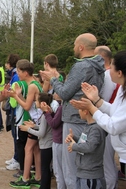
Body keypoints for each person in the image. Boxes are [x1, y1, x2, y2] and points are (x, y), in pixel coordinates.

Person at [39, 33, 105, 189]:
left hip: (75, 119)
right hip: (87, 117)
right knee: (82, 163)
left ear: (81, 47)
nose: (74, 48)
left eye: (75, 45)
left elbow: (65, 93)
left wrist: (53, 80)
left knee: (71, 167)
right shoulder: (98, 64)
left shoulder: (82, 66)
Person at [70, 50, 126, 187]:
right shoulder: (122, 89)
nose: (108, 69)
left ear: (119, 73)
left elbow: (113, 126)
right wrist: (97, 100)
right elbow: (114, 111)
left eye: (111, 66)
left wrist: (92, 108)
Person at [7, 59, 42, 188]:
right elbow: (30, 104)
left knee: (28, 149)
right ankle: (38, 177)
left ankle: (25, 178)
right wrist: (19, 95)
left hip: (35, 121)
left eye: (19, 71)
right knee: (36, 150)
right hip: (38, 119)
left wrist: (16, 97)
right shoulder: (35, 83)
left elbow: (27, 107)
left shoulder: (32, 85)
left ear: (25, 72)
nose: (18, 74)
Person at [66, 95, 107, 189]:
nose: (78, 111)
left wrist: (74, 146)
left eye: (80, 109)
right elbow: (86, 142)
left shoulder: (95, 128)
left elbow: (90, 146)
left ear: (85, 111)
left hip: (91, 176)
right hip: (83, 173)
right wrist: (74, 138)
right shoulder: (89, 126)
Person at [17, 92, 54, 189]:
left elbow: (41, 133)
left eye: (37, 100)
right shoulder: (44, 114)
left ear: (43, 103)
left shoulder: (44, 115)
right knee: (45, 169)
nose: (35, 102)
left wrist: (28, 129)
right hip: (46, 145)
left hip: (47, 145)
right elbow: (43, 128)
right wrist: (34, 126)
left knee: (45, 169)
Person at [94, 46, 119, 188]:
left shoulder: (108, 75)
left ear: (102, 58)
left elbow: (105, 100)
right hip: (110, 120)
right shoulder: (110, 74)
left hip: (108, 121)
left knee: (107, 162)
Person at [4, 54, 21, 171]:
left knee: (16, 136)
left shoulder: (16, 76)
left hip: (15, 109)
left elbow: (15, 93)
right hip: (14, 109)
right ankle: (16, 157)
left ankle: (18, 159)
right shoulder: (14, 75)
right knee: (14, 135)